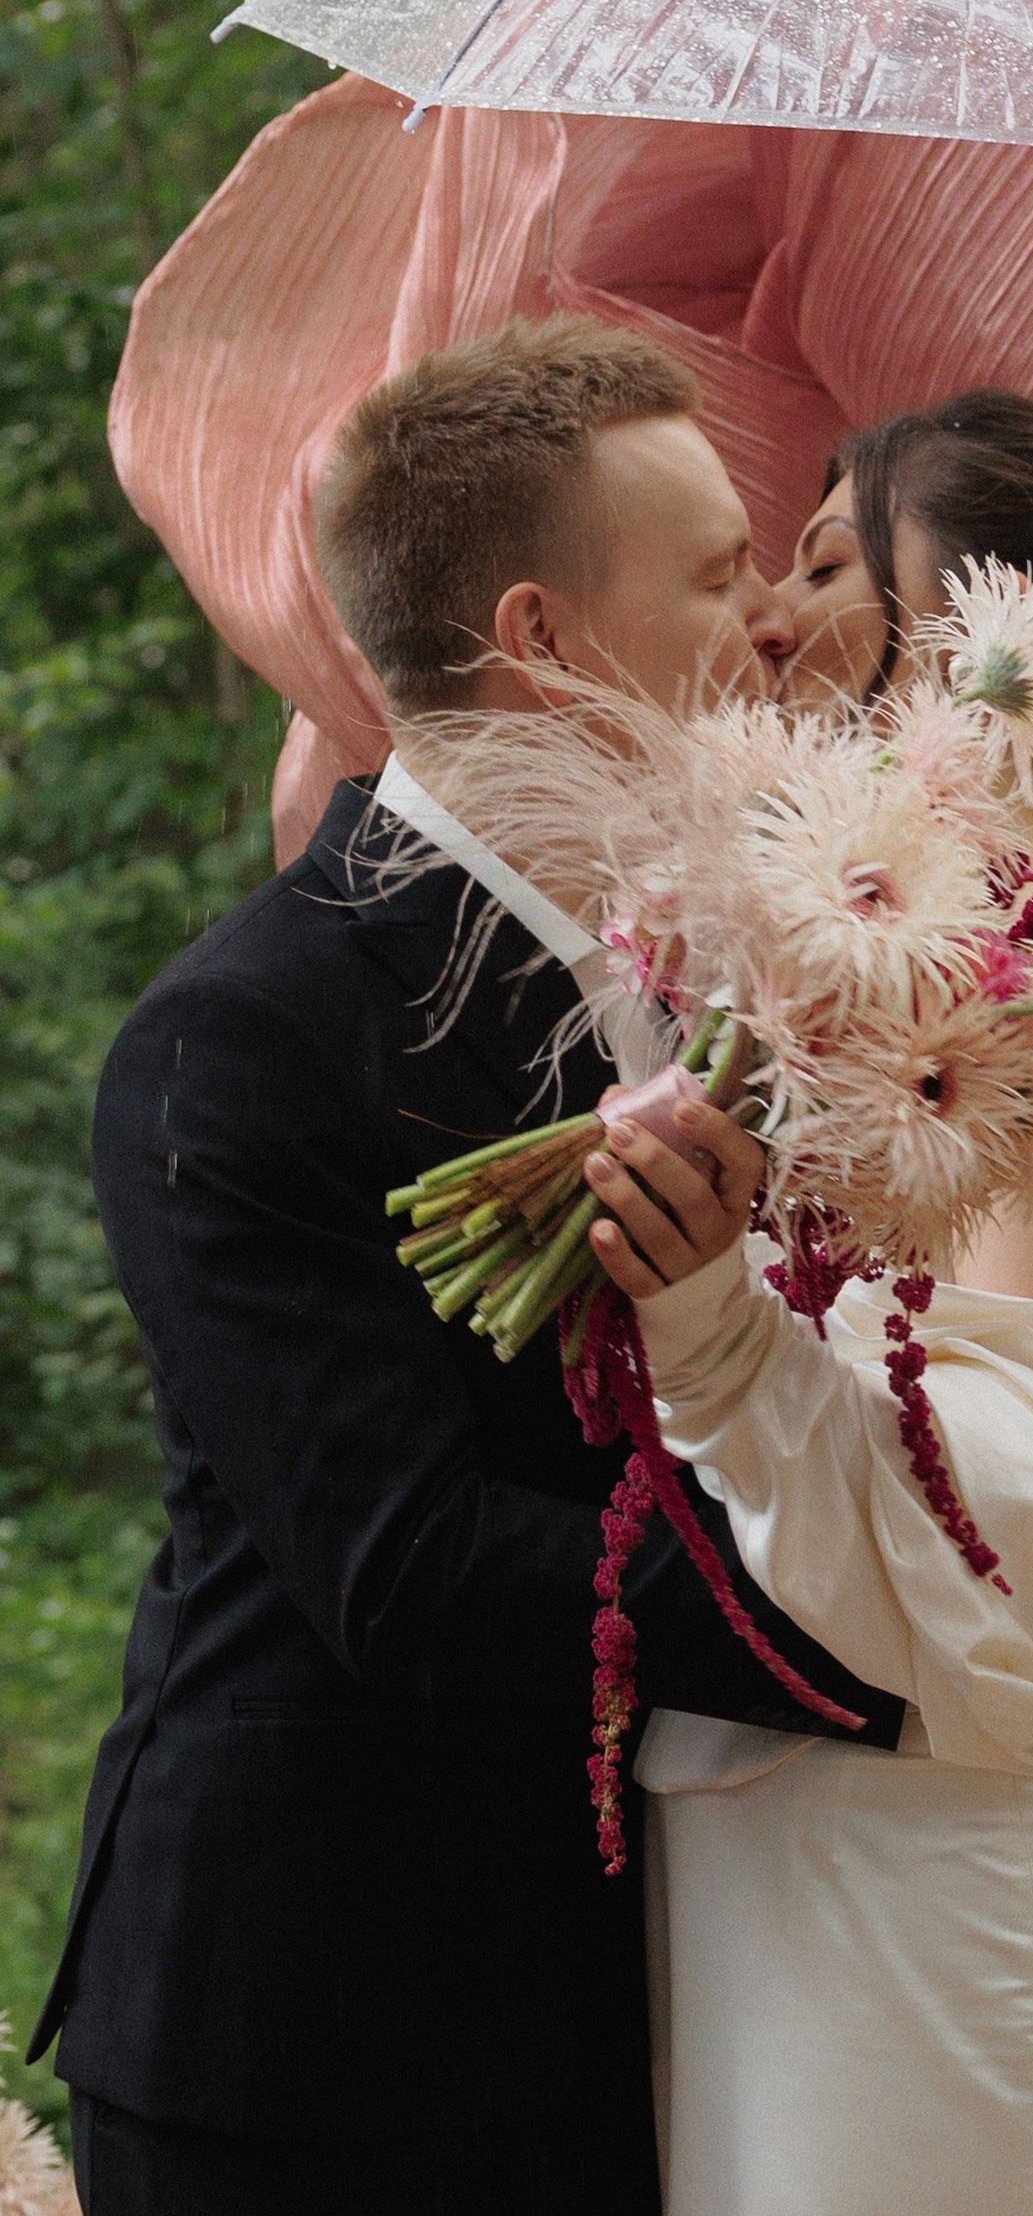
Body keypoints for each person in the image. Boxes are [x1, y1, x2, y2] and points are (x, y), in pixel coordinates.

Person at [35, 317, 904, 2216]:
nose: (767, 617)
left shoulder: (700, 974)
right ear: (541, 638)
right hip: (320, 2031)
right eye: (709, 571)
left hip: (622, 1984)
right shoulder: (243, 1037)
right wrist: (899, 1619)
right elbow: (406, 1570)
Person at [605, 388, 1033, 2216]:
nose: (765, 614)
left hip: (932, 1895)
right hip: (763, 1858)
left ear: (977, 631)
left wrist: (714, 1322)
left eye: (825, 563)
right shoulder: (816, 990)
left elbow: (996, 1535)